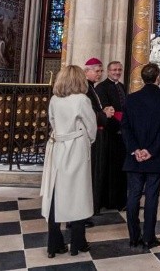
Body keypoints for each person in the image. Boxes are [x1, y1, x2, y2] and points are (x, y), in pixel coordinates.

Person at [39, 65, 97, 258]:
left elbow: (53, 123)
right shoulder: (82, 100)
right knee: (77, 194)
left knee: (55, 194)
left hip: (57, 147)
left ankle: (54, 244)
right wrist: (86, 140)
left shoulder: (55, 99)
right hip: (76, 148)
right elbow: (91, 126)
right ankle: (78, 242)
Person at [121, 63, 160, 250]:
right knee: (151, 197)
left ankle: (133, 237)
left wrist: (136, 150)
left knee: (133, 196)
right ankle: (148, 238)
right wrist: (150, 151)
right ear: (158, 77)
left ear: (143, 78)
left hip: (135, 157)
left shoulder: (131, 99)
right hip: (155, 157)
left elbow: (125, 127)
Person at [94, 60, 129, 210]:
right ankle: (109, 201)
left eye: (119, 70)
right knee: (110, 168)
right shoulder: (102, 87)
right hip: (110, 133)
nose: (117, 72)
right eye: (114, 70)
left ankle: (119, 199)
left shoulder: (121, 86)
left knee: (120, 168)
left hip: (121, 134)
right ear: (108, 72)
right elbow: (106, 111)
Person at [84, 57, 115, 220]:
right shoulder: (85, 89)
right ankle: (89, 208)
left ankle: (94, 205)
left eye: (101, 71)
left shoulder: (92, 88)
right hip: (91, 138)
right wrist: (104, 114)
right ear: (86, 71)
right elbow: (87, 115)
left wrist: (103, 111)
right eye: (97, 71)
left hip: (98, 135)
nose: (100, 74)